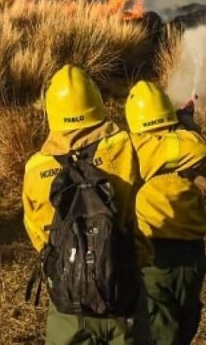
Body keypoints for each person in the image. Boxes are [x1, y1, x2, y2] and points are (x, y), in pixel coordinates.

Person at [22, 65, 141, 345]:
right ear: (95, 101)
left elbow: (38, 234)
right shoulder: (124, 146)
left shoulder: (35, 168)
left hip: (68, 300)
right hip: (121, 289)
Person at [124, 81, 206, 345]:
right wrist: (186, 129)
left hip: (167, 254)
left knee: (173, 326)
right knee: (165, 331)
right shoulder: (182, 145)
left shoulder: (131, 146)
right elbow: (200, 151)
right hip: (168, 254)